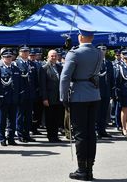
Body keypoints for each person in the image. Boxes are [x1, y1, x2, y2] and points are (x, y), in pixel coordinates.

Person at [60, 26, 103, 181]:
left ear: (80, 37)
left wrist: (63, 97)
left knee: (80, 134)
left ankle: (82, 170)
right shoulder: (99, 52)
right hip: (94, 94)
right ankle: (89, 169)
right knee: (91, 133)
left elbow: (65, 77)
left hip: (78, 96)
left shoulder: (74, 53)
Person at [0, 48, 21, 146]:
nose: (9, 58)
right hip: (3, 99)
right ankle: (2, 138)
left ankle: (11, 138)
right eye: (7, 57)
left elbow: (19, 85)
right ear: (2, 57)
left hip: (13, 99)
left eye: (10, 57)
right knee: (1, 120)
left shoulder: (16, 69)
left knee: (12, 120)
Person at [15, 45, 38, 143]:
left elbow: (35, 79)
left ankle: (27, 134)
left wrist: (35, 90)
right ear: (19, 53)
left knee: (28, 116)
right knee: (20, 115)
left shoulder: (32, 63)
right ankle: (20, 134)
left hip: (30, 94)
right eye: (23, 51)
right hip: (21, 94)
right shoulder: (16, 63)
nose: (25, 53)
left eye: (27, 51)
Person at [39, 49, 64, 142]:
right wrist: (44, 98)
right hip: (49, 98)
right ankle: (51, 136)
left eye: (55, 56)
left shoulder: (60, 67)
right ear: (48, 57)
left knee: (57, 118)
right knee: (50, 118)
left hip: (58, 97)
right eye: (52, 56)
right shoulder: (44, 68)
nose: (54, 58)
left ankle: (55, 135)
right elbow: (43, 85)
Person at [96, 45, 114, 139]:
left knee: (104, 112)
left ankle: (102, 130)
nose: (103, 51)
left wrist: (111, 91)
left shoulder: (108, 63)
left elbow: (111, 78)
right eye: (101, 49)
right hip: (97, 90)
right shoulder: (94, 62)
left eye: (104, 49)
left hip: (106, 91)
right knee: (96, 112)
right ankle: (96, 130)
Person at [29, 48, 43, 135]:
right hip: (29, 92)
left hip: (37, 91)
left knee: (37, 111)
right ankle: (29, 128)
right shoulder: (28, 64)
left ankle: (34, 128)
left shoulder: (38, 64)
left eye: (34, 55)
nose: (32, 57)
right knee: (30, 112)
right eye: (31, 55)